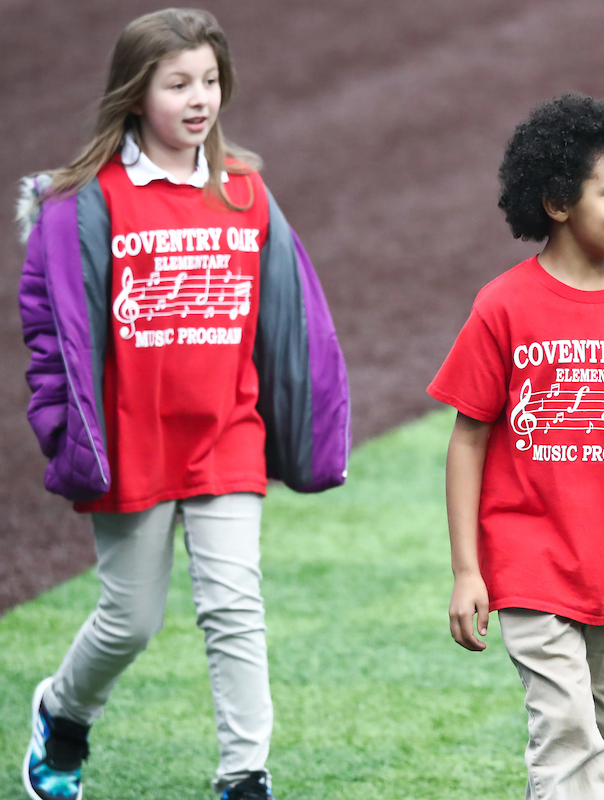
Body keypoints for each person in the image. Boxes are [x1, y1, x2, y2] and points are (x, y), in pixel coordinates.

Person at [15, 9, 350, 800]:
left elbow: (291, 316)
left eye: (209, 81)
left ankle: (245, 777)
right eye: (178, 84)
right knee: (130, 620)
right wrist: (62, 427)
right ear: (136, 95)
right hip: (128, 442)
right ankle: (63, 716)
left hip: (227, 437)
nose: (199, 99)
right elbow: (48, 329)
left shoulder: (245, 191)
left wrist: (307, 426)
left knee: (235, 605)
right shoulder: (84, 204)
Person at [427, 93, 604, 799]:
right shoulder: (504, 305)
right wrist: (469, 571)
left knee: (597, 739)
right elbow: (468, 440)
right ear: (557, 202)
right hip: (531, 564)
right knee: (566, 738)